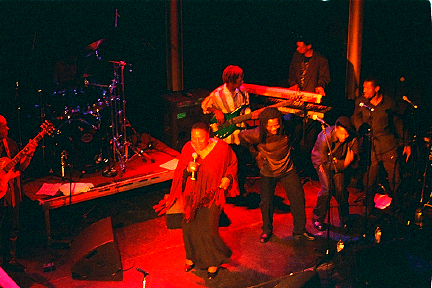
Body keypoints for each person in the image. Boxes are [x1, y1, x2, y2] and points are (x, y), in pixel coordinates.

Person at [154, 122, 239, 279]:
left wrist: (227, 178)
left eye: (201, 138)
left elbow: (232, 165)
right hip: (192, 197)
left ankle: (213, 261)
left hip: (212, 195)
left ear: (209, 135)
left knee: (208, 230)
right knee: (189, 229)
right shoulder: (188, 148)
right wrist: (187, 170)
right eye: (194, 139)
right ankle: (191, 257)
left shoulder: (222, 148)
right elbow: (180, 172)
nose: (198, 143)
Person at [238, 108, 315, 243]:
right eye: (270, 126)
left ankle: (300, 230)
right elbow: (241, 137)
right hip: (268, 171)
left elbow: (292, 116)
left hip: (287, 169)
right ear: (263, 125)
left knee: (298, 198)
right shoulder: (256, 134)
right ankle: (266, 230)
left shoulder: (287, 125)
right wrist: (256, 154)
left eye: (276, 124)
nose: (274, 128)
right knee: (266, 202)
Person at [351, 76, 411, 214]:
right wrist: (361, 126)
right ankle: (369, 208)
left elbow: (398, 123)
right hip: (371, 147)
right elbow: (355, 117)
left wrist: (407, 142)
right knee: (369, 180)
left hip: (388, 147)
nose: (364, 90)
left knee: (395, 180)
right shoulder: (361, 102)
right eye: (363, 87)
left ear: (376, 89)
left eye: (367, 88)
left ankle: (396, 208)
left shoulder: (389, 103)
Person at [201, 65, 259, 196]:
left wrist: (251, 115)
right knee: (225, 166)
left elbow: (246, 110)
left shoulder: (243, 92)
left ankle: (239, 190)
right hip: (225, 135)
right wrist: (216, 111)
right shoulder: (217, 94)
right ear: (232, 79)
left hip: (240, 134)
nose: (242, 81)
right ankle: (221, 192)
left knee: (241, 164)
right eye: (240, 78)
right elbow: (204, 105)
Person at [0, 115, 37, 273]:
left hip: (13, 192)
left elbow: (20, 168)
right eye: (4, 126)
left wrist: (29, 154)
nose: (8, 128)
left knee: (13, 228)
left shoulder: (11, 144)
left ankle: (10, 261)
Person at [311, 116, 359, 231]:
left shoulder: (352, 138)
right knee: (327, 189)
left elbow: (355, 158)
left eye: (346, 134)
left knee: (340, 190)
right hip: (321, 162)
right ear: (336, 129)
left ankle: (345, 218)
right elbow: (325, 164)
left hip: (337, 162)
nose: (344, 137)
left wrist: (341, 163)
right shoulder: (325, 137)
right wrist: (344, 163)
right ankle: (318, 218)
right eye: (342, 134)